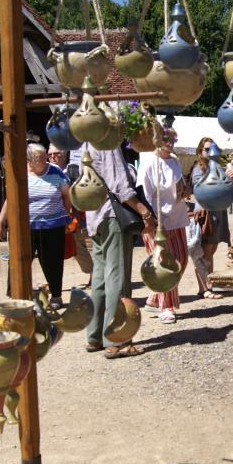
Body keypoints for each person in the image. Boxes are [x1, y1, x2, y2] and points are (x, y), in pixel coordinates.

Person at [83, 142, 156, 358]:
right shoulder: (107, 142)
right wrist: (145, 213)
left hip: (95, 216)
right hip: (113, 216)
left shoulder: (86, 140)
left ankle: (95, 336)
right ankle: (118, 340)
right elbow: (121, 187)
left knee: (100, 278)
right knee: (118, 277)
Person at [0, 143, 71, 310]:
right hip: (25, 227)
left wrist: (66, 216)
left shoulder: (55, 172)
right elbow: (11, 199)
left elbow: (67, 196)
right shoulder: (20, 173)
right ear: (29, 159)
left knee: (53, 261)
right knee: (18, 260)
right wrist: (1, 221)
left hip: (53, 226)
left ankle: (56, 295)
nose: (45, 160)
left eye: (45, 156)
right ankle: (14, 294)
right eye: (40, 158)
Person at [138, 128, 189, 324]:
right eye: (166, 139)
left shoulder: (175, 160)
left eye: (172, 139)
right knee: (165, 264)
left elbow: (179, 186)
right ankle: (166, 307)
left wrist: (186, 191)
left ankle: (154, 296)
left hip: (177, 218)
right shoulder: (149, 163)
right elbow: (146, 194)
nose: (170, 142)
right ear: (156, 140)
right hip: (158, 223)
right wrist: (152, 221)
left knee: (182, 259)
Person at [189, 137, 231, 300]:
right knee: (204, 252)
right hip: (206, 213)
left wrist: (229, 178)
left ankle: (209, 284)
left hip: (217, 212)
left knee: (211, 251)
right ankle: (204, 288)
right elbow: (202, 190)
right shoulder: (198, 168)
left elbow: (225, 189)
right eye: (207, 149)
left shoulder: (215, 166)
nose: (210, 152)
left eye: (213, 149)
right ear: (200, 151)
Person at [48, 144, 93, 286]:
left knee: (79, 249)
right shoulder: (45, 172)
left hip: (72, 218)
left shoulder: (73, 171)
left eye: (57, 153)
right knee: (52, 252)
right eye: (50, 154)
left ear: (65, 154)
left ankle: (95, 274)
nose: (53, 157)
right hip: (52, 219)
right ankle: (54, 284)